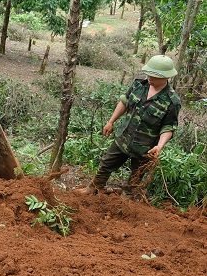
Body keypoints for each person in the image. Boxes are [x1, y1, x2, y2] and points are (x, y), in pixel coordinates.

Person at [77, 55, 181, 195]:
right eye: (148, 74)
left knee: (136, 178)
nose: (150, 78)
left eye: (155, 76)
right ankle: (94, 188)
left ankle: (128, 204)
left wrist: (160, 146)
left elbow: (168, 127)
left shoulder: (172, 101)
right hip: (124, 138)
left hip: (145, 148)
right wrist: (111, 121)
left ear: (166, 77)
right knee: (106, 164)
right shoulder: (139, 84)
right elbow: (125, 102)